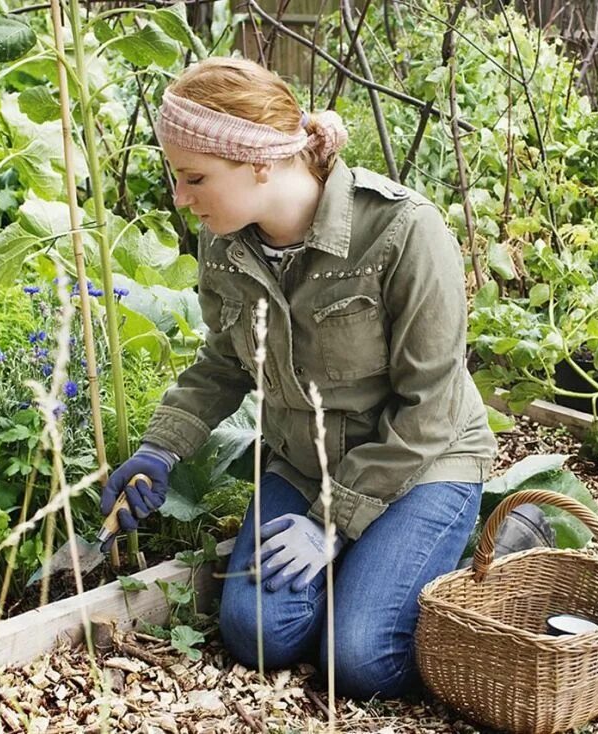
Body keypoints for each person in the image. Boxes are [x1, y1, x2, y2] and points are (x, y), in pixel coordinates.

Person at [100, 57, 498, 700]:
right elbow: (225, 361)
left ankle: (469, 560)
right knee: (259, 635)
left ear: (261, 162)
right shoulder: (226, 243)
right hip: (305, 462)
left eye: (194, 177)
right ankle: (368, 571)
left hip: (422, 461)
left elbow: (431, 406)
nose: (180, 197)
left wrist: (330, 524)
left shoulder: (402, 231)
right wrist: (160, 448)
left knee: (360, 661)